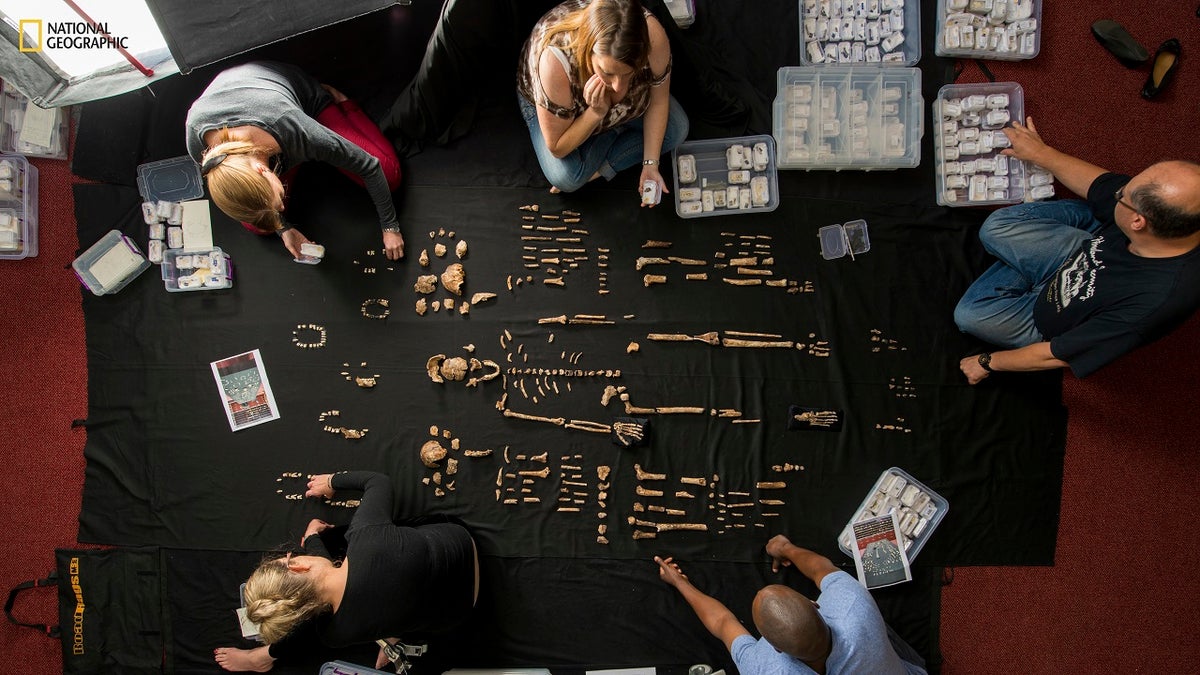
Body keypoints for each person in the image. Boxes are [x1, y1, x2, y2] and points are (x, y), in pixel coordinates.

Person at [954, 117, 1200, 384]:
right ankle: (1038, 260)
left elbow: (1057, 355)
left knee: (970, 316)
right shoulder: (1178, 214)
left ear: (1138, 222)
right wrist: (1041, 153)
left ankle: (1031, 266)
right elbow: (1100, 185)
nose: (1117, 191)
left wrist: (988, 362)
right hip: (1087, 245)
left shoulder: (1149, 308)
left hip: (1047, 317)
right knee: (995, 227)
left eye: (1122, 196)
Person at [214, 471, 479, 672]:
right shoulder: (365, 536)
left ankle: (264, 657)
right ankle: (393, 633)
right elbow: (378, 481)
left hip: (459, 611)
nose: (290, 555)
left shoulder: (333, 635)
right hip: (461, 545)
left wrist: (314, 542)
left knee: (354, 593)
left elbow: (323, 578)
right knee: (345, 537)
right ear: (299, 565)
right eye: (289, 559)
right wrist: (331, 481)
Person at [186, 61, 406, 261]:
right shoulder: (202, 146)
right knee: (259, 225)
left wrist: (390, 226)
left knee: (389, 176)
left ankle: (342, 104)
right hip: (259, 120)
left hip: (304, 103)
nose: (282, 206)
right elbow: (258, 208)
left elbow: (369, 166)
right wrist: (285, 230)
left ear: (264, 170)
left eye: (279, 197)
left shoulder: (291, 127)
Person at [654, 534, 927, 674]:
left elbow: (724, 623)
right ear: (815, 604)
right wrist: (784, 548)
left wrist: (680, 583)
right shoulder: (855, 605)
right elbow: (822, 568)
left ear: (773, 647)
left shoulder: (765, 666)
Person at [516, 0, 689, 203]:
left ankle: (607, 151)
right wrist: (596, 113)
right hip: (559, 109)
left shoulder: (653, 36)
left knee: (677, 129)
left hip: (624, 108)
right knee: (566, 178)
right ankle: (619, 131)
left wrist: (651, 164)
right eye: (607, 72)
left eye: (628, 74)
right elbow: (558, 146)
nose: (617, 87)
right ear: (588, 50)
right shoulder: (554, 61)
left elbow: (658, 101)